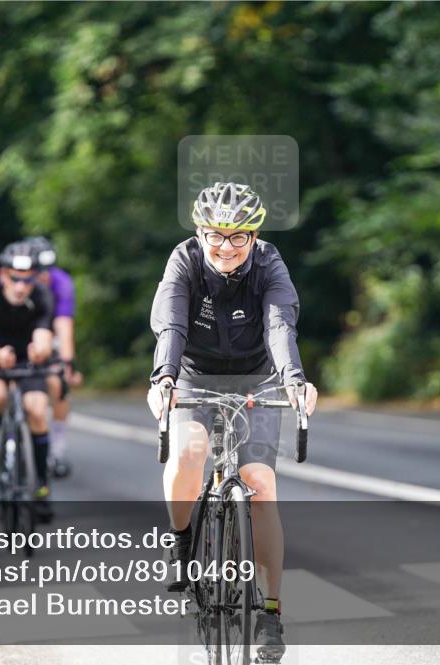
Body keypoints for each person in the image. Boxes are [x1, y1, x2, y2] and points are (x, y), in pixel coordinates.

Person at [146, 182, 318, 662]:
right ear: (200, 232)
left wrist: (295, 380)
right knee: (188, 453)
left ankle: (270, 611)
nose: (225, 246)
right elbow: (171, 324)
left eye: (238, 236)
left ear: (254, 235)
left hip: (256, 380)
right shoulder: (184, 261)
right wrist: (163, 378)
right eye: (215, 235)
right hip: (194, 377)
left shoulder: (268, 264)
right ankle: (182, 542)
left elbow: (280, 324)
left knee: (260, 481)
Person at [0, 241, 56, 503]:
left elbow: (43, 337)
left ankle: (41, 481)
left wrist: (40, 352)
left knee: (37, 409)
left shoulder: (42, 295)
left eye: (28, 280)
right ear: (3, 275)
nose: (21, 287)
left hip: (27, 356)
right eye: (15, 279)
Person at [27, 236, 84, 478]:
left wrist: (68, 363)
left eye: (47, 270)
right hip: (19, 331)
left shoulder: (61, 282)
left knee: (58, 381)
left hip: (48, 332)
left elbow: (63, 326)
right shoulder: (17, 282)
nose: (43, 276)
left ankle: (57, 450)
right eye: (37, 270)